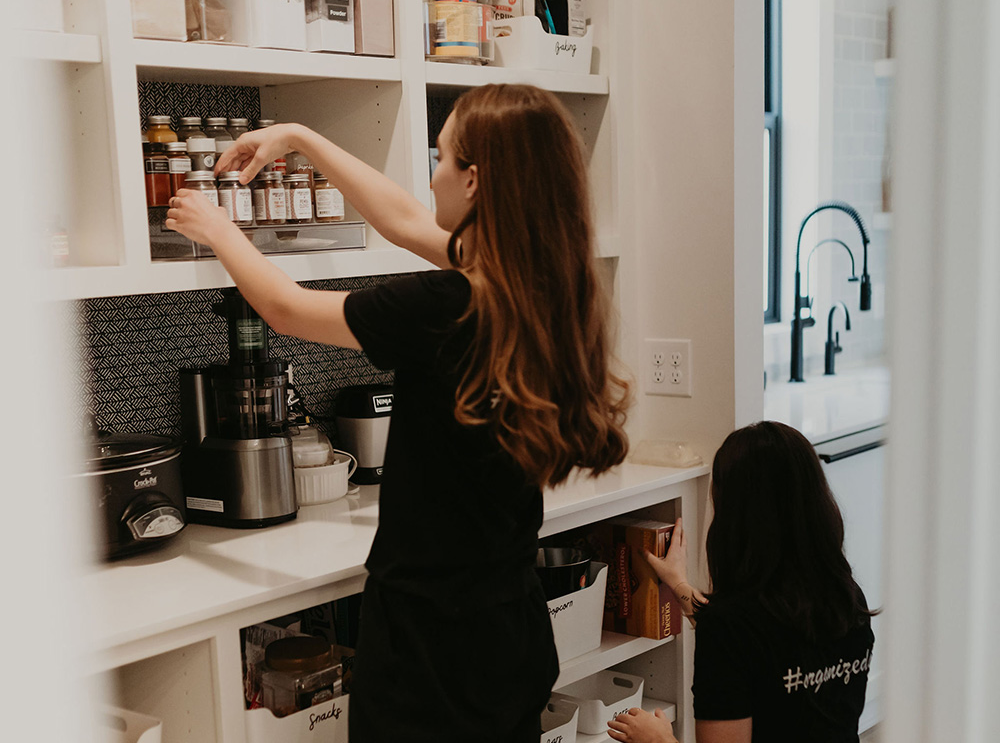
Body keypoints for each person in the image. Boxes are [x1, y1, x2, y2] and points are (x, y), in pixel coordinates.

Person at [165, 83, 631, 742]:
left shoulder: (447, 305)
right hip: (508, 626)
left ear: (474, 181)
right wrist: (298, 135)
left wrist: (216, 228)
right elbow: (407, 223)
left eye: (440, 158)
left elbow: (285, 307)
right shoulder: (542, 287)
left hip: (430, 639)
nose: (431, 175)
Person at [608, 421, 876, 743]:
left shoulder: (730, 625)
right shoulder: (844, 596)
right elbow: (757, 648)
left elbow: (740, 639)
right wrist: (677, 582)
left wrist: (659, 739)